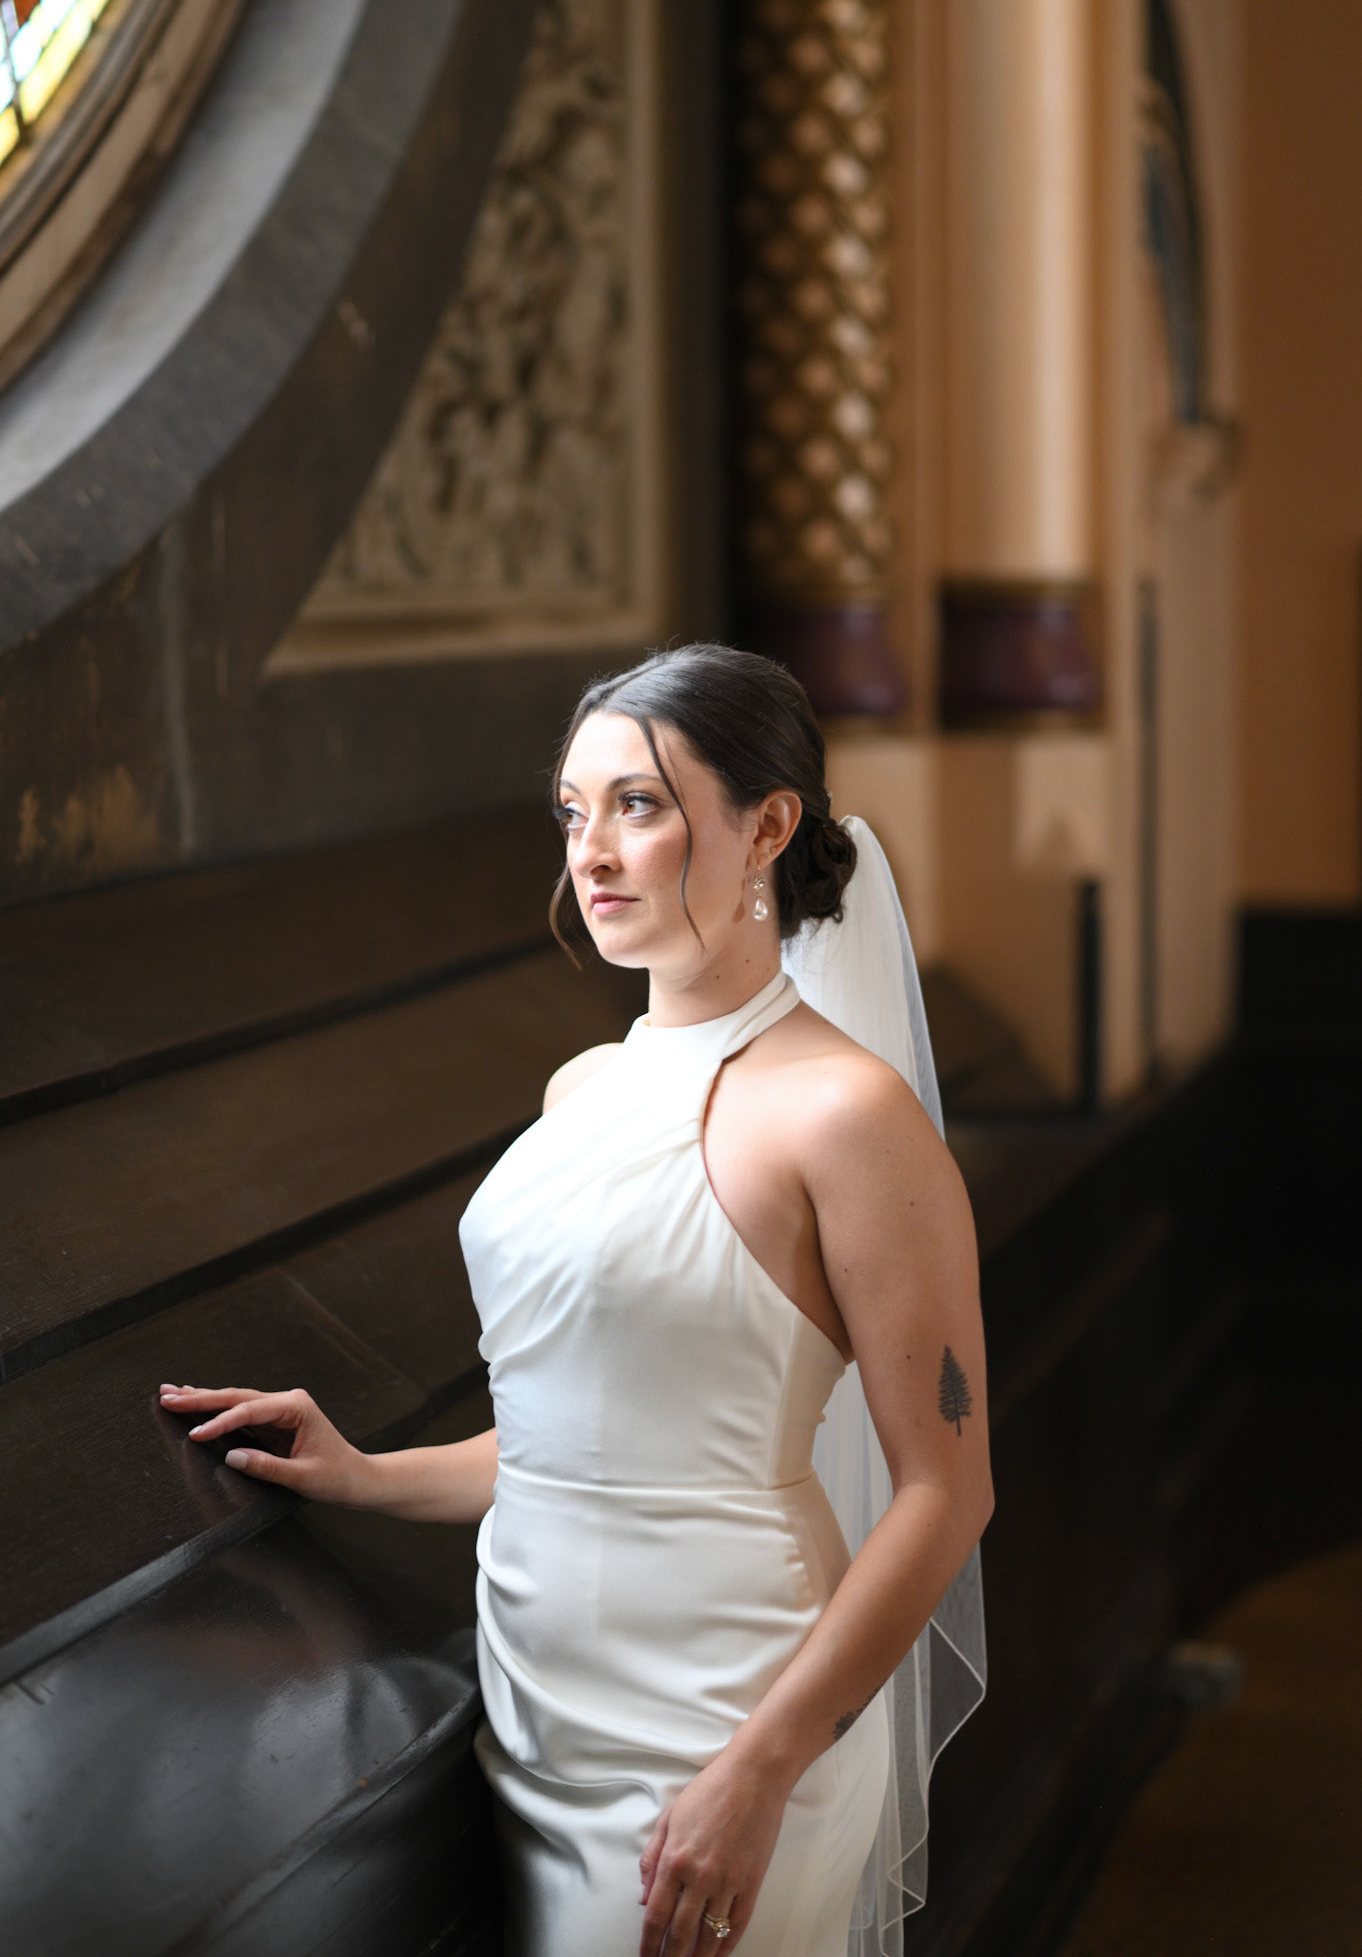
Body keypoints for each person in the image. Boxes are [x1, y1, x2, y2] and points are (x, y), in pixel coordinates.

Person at [158, 643, 992, 1957]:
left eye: (639, 806)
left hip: (721, 1725)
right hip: (530, 1715)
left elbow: (945, 1492)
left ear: (768, 824)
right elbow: (582, 1438)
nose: (590, 851)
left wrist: (757, 1770)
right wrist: (368, 1475)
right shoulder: (581, 1091)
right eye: (571, 810)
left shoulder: (847, 1118)